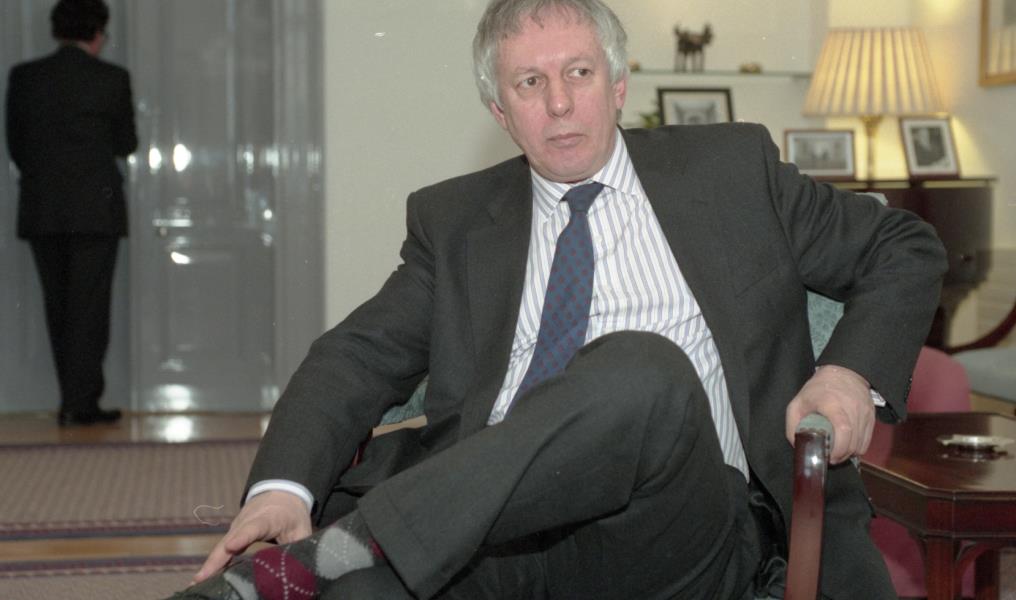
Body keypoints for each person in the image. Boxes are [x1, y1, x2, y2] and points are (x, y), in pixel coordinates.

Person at [171, 0, 946, 598]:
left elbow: (903, 247)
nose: (560, 103)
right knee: (360, 594)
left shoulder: (731, 173)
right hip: (490, 535)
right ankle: (348, 557)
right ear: (501, 112)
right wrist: (281, 488)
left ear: (618, 85)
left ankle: (357, 543)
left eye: (579, 73)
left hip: (683, 529)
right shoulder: (456, 223)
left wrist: (848, 374)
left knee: (642, 370)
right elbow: (355, 356)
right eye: (530, 83)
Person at [5, 0, 136, 426]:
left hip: (43, 210)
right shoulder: (112, 78)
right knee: (89, 309)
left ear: (57, 30)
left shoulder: (25, 77)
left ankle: (73, 400)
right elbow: (127, 143)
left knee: (58, 306)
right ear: (97, 32)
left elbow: (17, 147)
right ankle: (81, 402)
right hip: (96, 211)